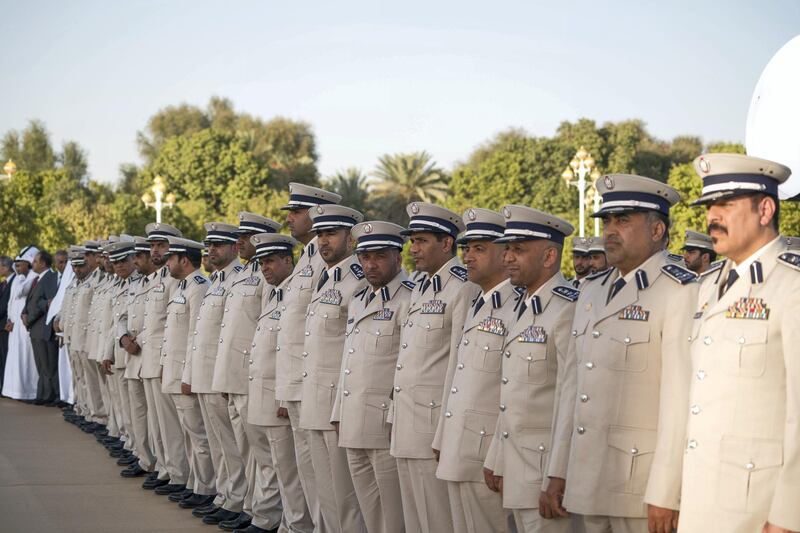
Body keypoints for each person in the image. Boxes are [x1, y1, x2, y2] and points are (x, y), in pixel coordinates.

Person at [546, 173, 697, 533]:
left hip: (641, 490)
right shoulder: (592, 291)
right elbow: (573, 388)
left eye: (623, 220)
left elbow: (681, 403)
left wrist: (667, 492)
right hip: (589, 478)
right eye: (608, 221)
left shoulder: (680, 291)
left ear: (657, 231)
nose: (609, 231)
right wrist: (557, 470)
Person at [677, 153, 800, 533]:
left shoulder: (791, 285)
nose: (712, 217)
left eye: (725, 205)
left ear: (765, 209)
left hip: (756, 509)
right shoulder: (709, 286)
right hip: (701, 500)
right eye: (709, 206)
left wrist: (789, 513)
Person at [481, 206, 576, 533]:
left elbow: (570, 400)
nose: (507, 257)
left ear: (550, 256)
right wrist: (496, 457)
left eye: (518, 250)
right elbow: (510, 392)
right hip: (517, 468)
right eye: (507, 248)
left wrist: (558, 474)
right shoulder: (523, 308)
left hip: (545, 473)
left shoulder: (566, 310)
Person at [391, 202, 480, 533]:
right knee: (415, 515)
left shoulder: (462, 287)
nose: (414, 249)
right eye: (412, 241)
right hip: (405, 420)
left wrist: (446, 431)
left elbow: (459, 362)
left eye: (422, 241)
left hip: (431, 425)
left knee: (438, 518)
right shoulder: (422, 285)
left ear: (446, 244)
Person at [434, 208, 516, 533]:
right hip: (461, 446)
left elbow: (513, 391)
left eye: (479, 249)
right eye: (467, 248)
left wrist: (498, 456)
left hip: (485, 454)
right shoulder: (478, 303)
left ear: (505, 252)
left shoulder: (516, 307)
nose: (468, 256)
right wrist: (444, 436)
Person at [331, 220, 413, 533]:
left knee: (393, 514)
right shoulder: (359, 298)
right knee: (367, 508)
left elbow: (405, 367)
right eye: (365, 257)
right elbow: (348, 360)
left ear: (398, 258)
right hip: (353, 421)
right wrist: (338, 411)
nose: (370, 264)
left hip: (383, 425)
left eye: (379, 256)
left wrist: (394, 417)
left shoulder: (408, 299)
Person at [274, 182, 342, 529]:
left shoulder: (329, 262)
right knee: (308, 471)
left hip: (315, 384)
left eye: (296, 212)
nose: (290, 219)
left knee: (326, 478)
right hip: (299, 383)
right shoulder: (308, 258)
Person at [211, 212, 283, 532]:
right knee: (246, 448)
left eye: (247, 237)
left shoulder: (268, 279)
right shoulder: (242, 275)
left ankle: (265, 514)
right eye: (239, 237)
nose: (240, 242)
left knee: (262, 453)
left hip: (253, 376)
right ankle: (251, 506)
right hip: (236, 374)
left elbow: (265, 329)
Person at [299, 204, 368, 533]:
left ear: (350, 238)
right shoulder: (324, 279)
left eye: (331, 234)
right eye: (319, 234)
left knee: (346, 496)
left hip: (336, 406)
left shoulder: (356, 283)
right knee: (324, 490)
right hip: (313, 401)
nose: (323, 241)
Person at [243, 232, 314, 533]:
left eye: (271, 261)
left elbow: (298, 351)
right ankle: (283, 522)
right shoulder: (277, 294)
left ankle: (296, 525)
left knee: (289, 470)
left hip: (280, 398)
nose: (265, 268)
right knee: (275, 466)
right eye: (261, 263)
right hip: (265, 394)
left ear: (289, 260)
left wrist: (285, 397)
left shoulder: (297, 294)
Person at [186, 222, 248, 522]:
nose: (211, 250)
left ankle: (236, 500)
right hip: (208, 374)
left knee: (233, 444)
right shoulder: (219, 281)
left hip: (221, 375)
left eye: (219, 245)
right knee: (219, 442)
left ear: (234, 248)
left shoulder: (240, 279)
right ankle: (224, 495)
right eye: (209, 245)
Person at [160, 236, 217, 510]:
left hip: (186, 375)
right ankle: (196, 483)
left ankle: (206, 487)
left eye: (171, 258)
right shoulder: (181, 287)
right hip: (173, 372)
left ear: (184, 260)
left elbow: (197, 336)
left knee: (199, 435)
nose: (167, 262)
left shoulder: (198, 287)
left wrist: (189, 376)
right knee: (188, 434)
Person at [140, 223, 189, 497]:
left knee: (172, 425)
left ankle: (178, 474)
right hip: (150, 359)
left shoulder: (176, 280)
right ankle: (165, 467)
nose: (155, 250)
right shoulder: (155, 279)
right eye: (153, 246)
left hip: (165, 362)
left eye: (161, 245)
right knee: (158, 422)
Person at [23, 250, 60, 404]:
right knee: (41, 364)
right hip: (35, 328)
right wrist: (24, 313)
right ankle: (42, 394)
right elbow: (32, 301)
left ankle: (51, 396)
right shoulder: (37, 279)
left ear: (43, 263)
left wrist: (29, 319)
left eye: (36, 261)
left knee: (48, 364)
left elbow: (49, 302)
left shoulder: (50, 277)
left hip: (43, 327)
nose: (33, 264)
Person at [3, 246, 40, 401]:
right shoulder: (20, 278)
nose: (17, 268)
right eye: (16, 265)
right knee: (15, 358)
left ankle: (28, 392)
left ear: (28, 264)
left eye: (20, 265)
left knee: (26, 358)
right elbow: (11, 301)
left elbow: (20, 292)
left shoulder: (33, 277)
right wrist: (9, 319)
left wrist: (21, 278)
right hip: (14, 326)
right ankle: (14, 390)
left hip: (25, 326)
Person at [0, 255, 16, 393]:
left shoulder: (15, 281)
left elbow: (6, 306)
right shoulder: (2, 284)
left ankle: (5, 387)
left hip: (6, 326)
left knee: (5, 356)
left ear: (6, 267)